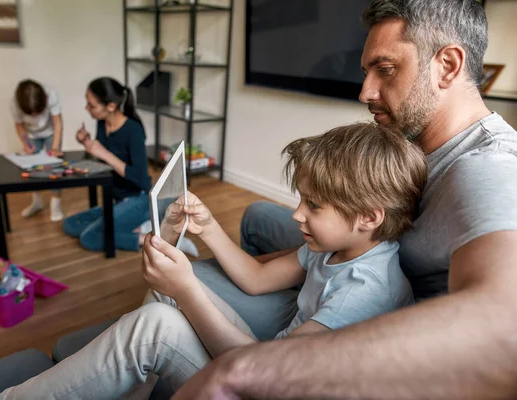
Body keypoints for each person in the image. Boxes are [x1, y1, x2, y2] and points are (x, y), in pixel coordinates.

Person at [0, 121, 426, 400]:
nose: (296, 213)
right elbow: (255, 279)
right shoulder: (339, 245)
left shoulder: (366, 289)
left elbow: (266, 376)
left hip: (272, 382)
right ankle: (131, 388)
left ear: (368, 216)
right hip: (274, 356)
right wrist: (208, 228)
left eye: (312, 205)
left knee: (161, 319)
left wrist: (186, 288)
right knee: (169, 289)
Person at [172, 0, 517, 399]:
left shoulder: (489, 166)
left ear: (448, 65)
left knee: (191, 279)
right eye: (367, 72)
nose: (365, 91)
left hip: (375, 295)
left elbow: (505, 321)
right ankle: (288, 288)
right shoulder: (415, 139)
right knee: (257, 216)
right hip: (364, 250)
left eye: (385, 70)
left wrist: (244, 368)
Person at [62, 77, 152, 253]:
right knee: (69, 224)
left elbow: (140, 179)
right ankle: (127, 228)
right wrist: (86, 141)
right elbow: (102, 159)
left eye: (92, 105)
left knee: (89, 238)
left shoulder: (134, 131)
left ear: (110, 106)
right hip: (116, 200)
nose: (87, 108)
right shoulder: (102, 123)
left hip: (138, 199)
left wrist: (104, 153)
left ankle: (148, 238)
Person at [10, 79, 64, 222]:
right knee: (32, 167)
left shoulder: (51, 94)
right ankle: (37, 201)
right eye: (31, 114)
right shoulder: (15, 103)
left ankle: (55, 203)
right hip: (31, 134)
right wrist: (26, 143)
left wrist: (55, 147)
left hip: (52, 132)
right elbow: (19, 125)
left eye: (37, 112)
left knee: (55, 166)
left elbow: (58, 122)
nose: (35, 117)